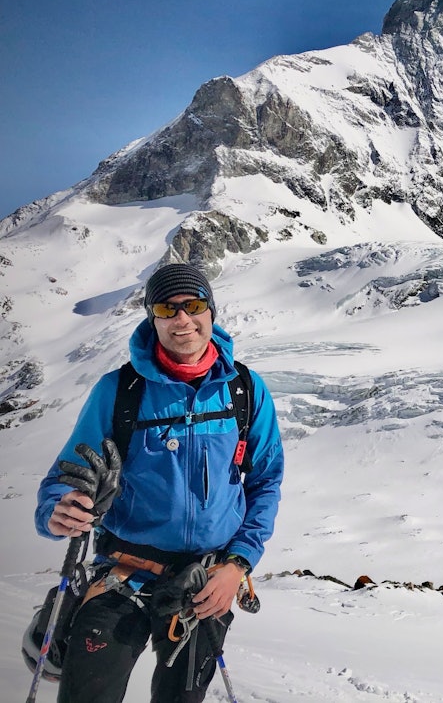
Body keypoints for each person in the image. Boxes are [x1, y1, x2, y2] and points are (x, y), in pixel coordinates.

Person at [34, 263, 285, 703]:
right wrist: (58, 510)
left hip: (206, 583)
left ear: (211, 311)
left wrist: (237, 565)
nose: (182, 319)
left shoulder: (245, 390)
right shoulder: (120, 391)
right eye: (167, 309)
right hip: (120, 577)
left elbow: (264, 481)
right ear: (152, 317)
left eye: (194, 305)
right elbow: (64, 478)